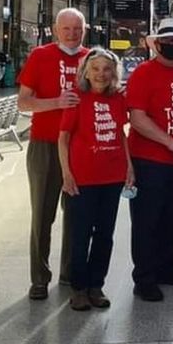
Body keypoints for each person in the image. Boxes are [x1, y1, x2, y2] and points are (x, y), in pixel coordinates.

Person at [17, 8, 89, 300]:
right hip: (45, 144)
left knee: (76, 215)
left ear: (85, 30)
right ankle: (39, 277)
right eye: (67, 29)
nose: (72, 34)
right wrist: (57, 102)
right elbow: (23, 103)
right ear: (56, 30)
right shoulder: (40, 56)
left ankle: (70, 274)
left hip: (79, 148)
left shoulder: (91, 58)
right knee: (42, 215)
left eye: (77, 29)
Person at [58, 48, 134, 311]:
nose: (101, 74)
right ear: (86, 72)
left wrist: (129, 167)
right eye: (96, 69)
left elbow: (122, 134)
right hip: (83, 178)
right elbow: (63, 138)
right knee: (80, 234)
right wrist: (66, 173)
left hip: (111, 177)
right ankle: (78, 288)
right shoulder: (77, 98)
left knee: (105, 234)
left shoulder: (118, 99)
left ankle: (96, 285)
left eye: (106, 69)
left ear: (114, 72)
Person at [125, 18, 173, 302]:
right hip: (149, 160)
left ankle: (164, 268)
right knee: (146, 221)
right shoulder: (143, 73)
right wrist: (169, 142)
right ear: (156, 44)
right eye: (167, 43)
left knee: (170, 218)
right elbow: (137, 118)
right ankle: (143, 276)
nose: (172, 47)